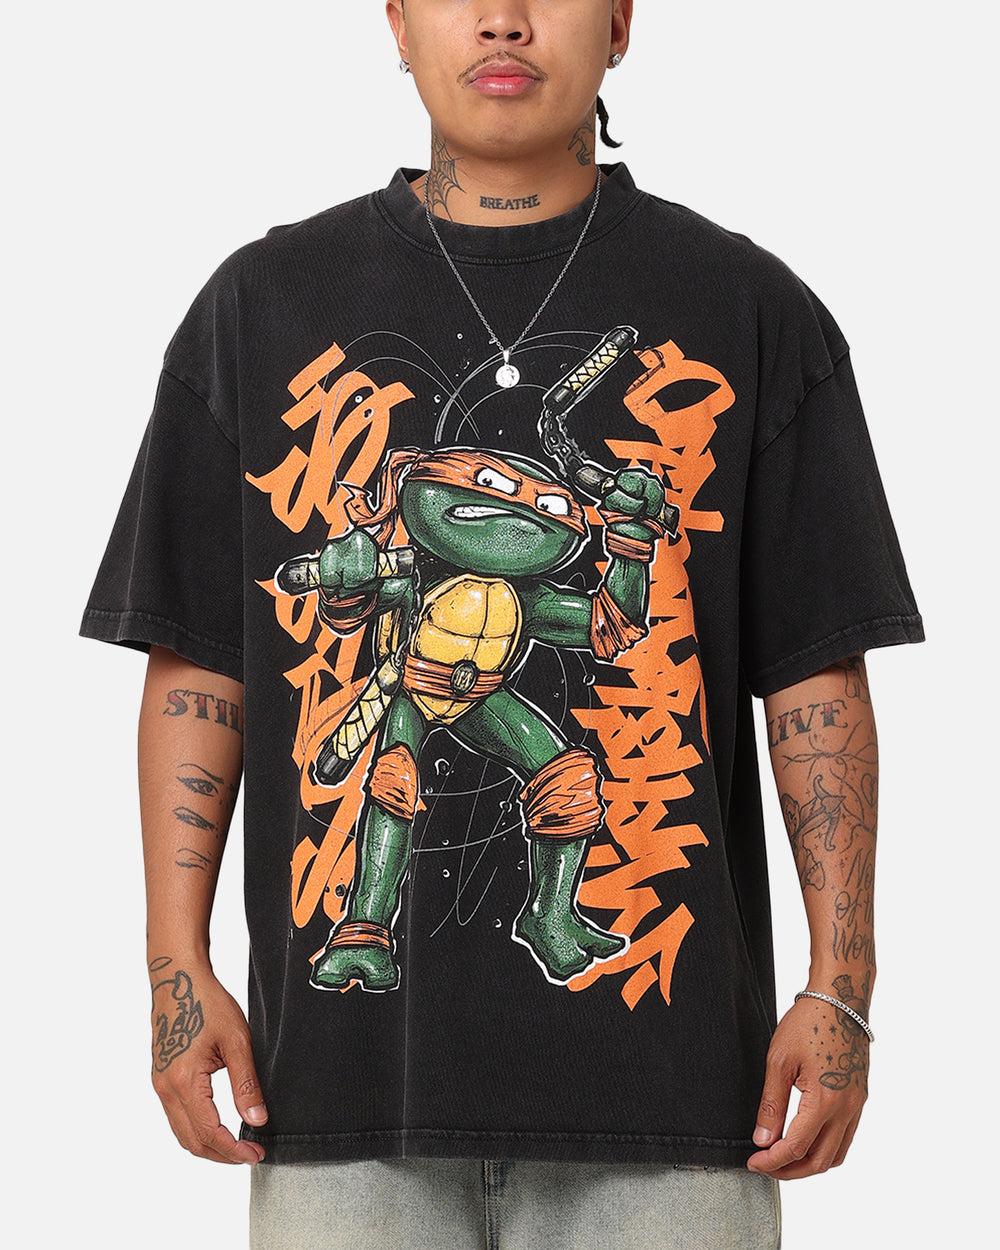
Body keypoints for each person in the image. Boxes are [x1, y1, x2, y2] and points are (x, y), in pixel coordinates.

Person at [80, 2, 923, 1246]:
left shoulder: (749, 306)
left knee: (569, 773)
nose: (504, 17)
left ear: (622, 22)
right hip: (340, 1104)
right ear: (397, 21)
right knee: (392, 774)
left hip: (677, 1108)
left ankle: (551, 910)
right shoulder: (261, 304)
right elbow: (200, 659)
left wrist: (840, 990)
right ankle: (363, 925)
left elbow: (811, 677)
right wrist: (175, 968)